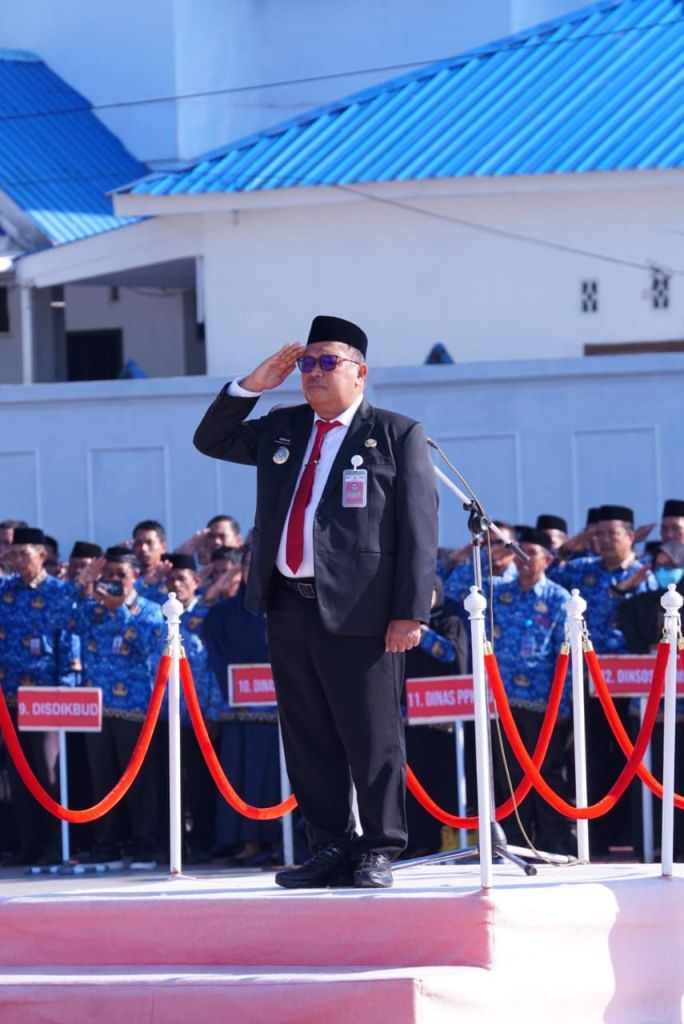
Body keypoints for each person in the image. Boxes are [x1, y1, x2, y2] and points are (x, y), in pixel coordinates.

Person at [193, 314, 438, 889]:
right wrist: (252, 385)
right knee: (307, 736)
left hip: (362, 612)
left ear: (360, 372)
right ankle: (329, 845)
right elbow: (212, 440)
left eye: (328, 362)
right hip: (289, 604)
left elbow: (420, 529)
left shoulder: (395, 433)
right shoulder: (284, 427)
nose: (313, 373)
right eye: (307, 362)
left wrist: (410, 611)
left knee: (371, 735)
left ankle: (379, 848)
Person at [551, 504, 657, 856]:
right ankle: (595, 838)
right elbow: (543, 575)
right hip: (588, 678)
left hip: (630, 679)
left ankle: (634, 834)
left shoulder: (645, 575)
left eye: (613, 534)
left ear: (631, 537)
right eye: (599, 534)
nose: (605, 540)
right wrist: (570, 547)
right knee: (590, 755)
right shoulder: (582, 569)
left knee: (631, 754)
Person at [74, 547, 164, 869]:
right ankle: (107, 844)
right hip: (97, 708)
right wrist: (81, 586)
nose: (113, 580)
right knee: (103, 779)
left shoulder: (150, 609)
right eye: (108, 575)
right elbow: (62, 621)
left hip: (135, 707)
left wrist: (121, 611)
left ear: (135, 576)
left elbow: (151, 644)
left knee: (139, 780)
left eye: (120, 575)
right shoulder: (92, 609)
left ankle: (144, 844)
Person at [490, 527, 574, 854]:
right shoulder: (498, 591)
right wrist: (492, 553)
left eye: (532, 553)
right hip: (503, 701)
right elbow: (454, 588)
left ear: (548, 560)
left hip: (543, 702)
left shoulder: (558, 598)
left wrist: (563, 704)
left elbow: (567, 655)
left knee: (547, 772)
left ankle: (555, 843)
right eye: (519, 552)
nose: (524, 560)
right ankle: (516, 842)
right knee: (509, 774)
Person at [402, 578, 468, 857]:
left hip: (443, 720)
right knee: (412, 784)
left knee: (441, 781)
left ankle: (443, 841)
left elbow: (451, 654)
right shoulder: (400, 624)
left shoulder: (450, 620)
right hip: (408, 716)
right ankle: (414, 842)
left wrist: (420, 631)